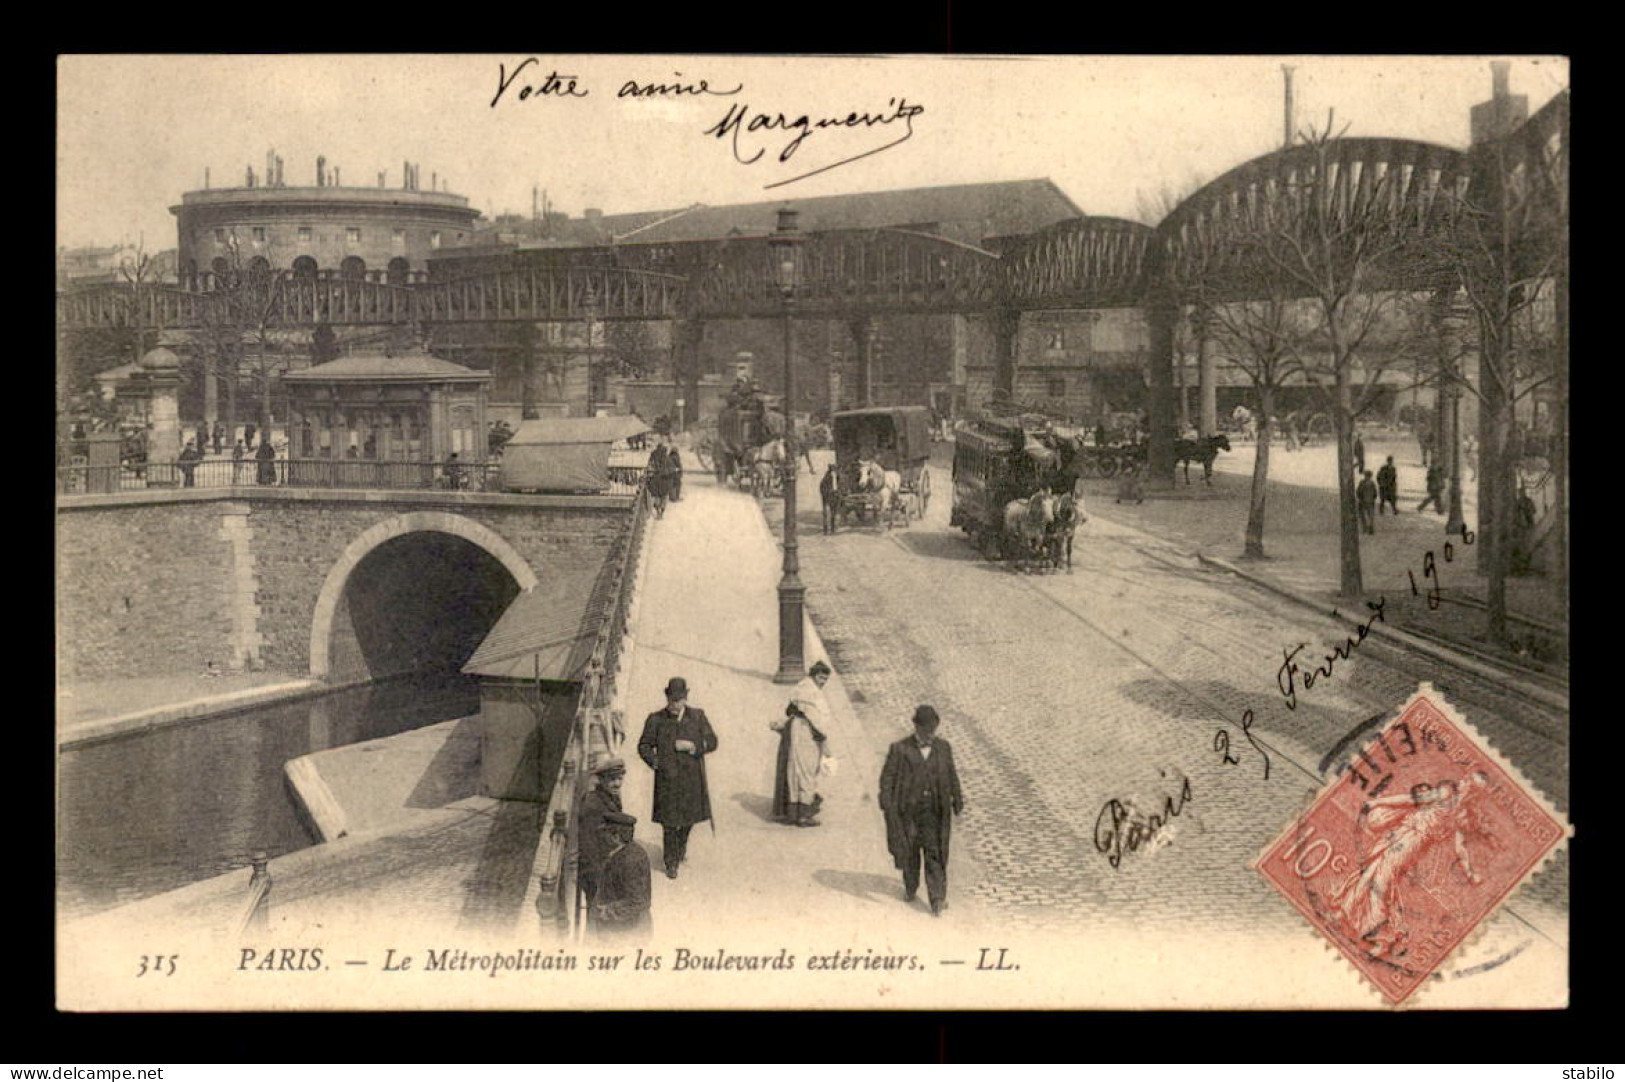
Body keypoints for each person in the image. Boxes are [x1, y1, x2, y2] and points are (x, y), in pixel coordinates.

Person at [1329, 774, 1488, 960]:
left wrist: (1469, 873)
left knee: (1382, 880)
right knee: (1372, 870)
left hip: (1413, 842)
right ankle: (1346, 910)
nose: (1467, 785)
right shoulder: (1447, 792)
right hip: (1404, 834)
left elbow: (1460, 846)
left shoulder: (1462, 812)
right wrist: (1379, 802)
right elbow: (1411, 800)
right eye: (1469, 781)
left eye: (1475, 788)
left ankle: (1381, 933)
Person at [879, 705, 965, 917]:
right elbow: (887, 779)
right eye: (926, 730)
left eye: (933, 730)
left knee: (934, 853)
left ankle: (937, 898)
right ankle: (910, 886)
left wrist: (957, 797)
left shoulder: (943, 747)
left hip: (934, 812)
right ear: (916, 726)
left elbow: (951, 773)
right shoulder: (900, 749)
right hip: (908, 812)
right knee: (910, 851)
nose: (930, 735)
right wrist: (887, 805)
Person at [636, 677, 719, 879]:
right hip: (668, 781)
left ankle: (680, 848)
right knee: (670, 823)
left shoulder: (698, 716)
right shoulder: (655, 719)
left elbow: (713, 741)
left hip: (692, 781)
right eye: (672, 700)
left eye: (679, 700)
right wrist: (656, 763)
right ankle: (671, 862)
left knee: (689, 819)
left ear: (685, 698)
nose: (675, 705)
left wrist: (693, 747)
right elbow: (644, 746)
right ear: (667, 698)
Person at [772, 661, 832, 827]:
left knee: (795, 770)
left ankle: (792, 811)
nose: (822, 682)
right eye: (820, 677)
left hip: (796, 731)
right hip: (807, 734)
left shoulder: (800, 688)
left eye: (825, 679)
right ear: (813, 675)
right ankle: (803, 815)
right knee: (806, 770)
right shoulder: (811, 693)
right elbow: (816, 721)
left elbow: (789, 709)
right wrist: (824, 741)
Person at [578, 757, 635, 917]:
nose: (617, 783)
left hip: (608, 866)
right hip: (597, 872)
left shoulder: (610, 796)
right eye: (612, 779)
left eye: (619, 778)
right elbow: (588, 847)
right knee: (598, 912)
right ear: (601, 780)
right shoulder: (593, 806)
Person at [591, 817, 652, 939]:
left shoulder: (630, 862)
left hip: (625, 933)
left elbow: (637, 902)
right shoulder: (624, 850)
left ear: (616, 837)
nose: (602, 837)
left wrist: (607, 912)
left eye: (606, 833)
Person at [1512, 485, 1539, 575]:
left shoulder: (1528, 501)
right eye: (1520, 492)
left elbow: (1533, 511)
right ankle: (1520, 568)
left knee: (1527, 547)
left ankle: (1525, 567)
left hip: (1527, 527)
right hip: (1520, 528)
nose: (1521, 494)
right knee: (1521, 548)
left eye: (1522, 492)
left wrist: (1526, 511)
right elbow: (1514, 515)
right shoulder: (1517, 503)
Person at [646, 438, 671, 518]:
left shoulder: (653, 455)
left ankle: (657, 511)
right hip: (664, 479)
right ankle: (661, 512)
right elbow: (670, 468)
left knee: (656, 496)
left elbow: (650, 465)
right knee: (664, 496)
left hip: (655, 478)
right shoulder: (666, 456)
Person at [820, 464, 840, 534]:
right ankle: (826, 529)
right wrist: (827, 493)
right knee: (827, 513)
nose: (835, 472)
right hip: (828, 497)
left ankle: (832, 529)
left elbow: (840, 486)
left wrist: (838, 493)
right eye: (833, 470)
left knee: (834, 513)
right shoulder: (826, 478)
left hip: (835, 496)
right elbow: (822, 487)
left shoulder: (838, 477)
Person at [1357, 469, 1378, 535]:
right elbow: (1375, 493)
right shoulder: (1372, 483)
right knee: (1370, 515)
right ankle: (1370, 527)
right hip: (1370, 501)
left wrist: (1360, 498)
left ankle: (1365, 528)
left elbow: (1358, 491)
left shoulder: (1362, 483)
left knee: (1363, 515)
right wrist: (1373, 498)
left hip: (1363, 501)